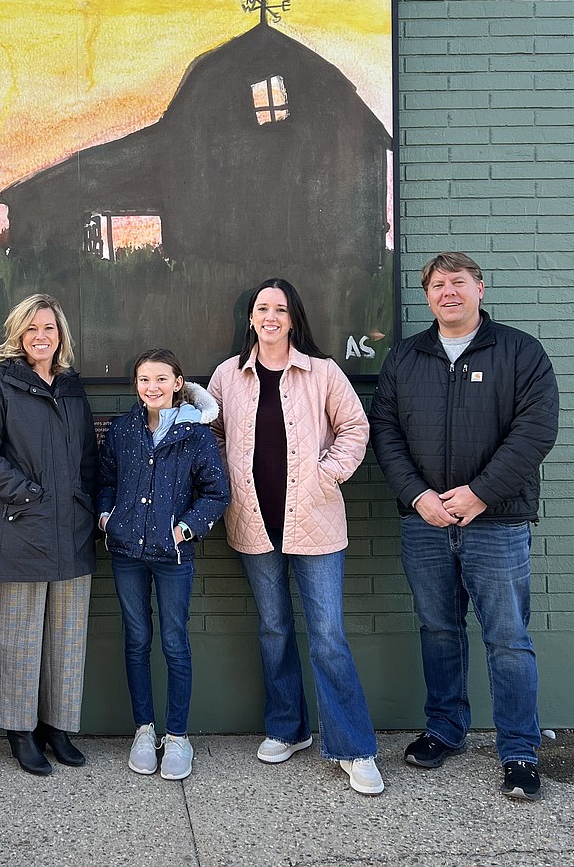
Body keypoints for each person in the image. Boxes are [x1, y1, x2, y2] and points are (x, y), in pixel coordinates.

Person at [369, 252, 559, 802]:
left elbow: (535, 431)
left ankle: (519, 749)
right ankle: (445, 729)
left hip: (497, 522)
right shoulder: (406, 357)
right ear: (426, 295)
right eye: (436, 285)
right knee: (439, 630)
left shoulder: (520, 352)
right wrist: (418, 496)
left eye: (458, 283)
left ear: (480, 288)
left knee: (508, 638)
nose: (446, 292)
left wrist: (479, 494)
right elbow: (386, 433)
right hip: (424, 522)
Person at [208, 278, 383, 796]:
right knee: (274, 629)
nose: (271, 317)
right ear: (250, 318)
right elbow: (210, 433)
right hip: (253, 518)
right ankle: (288, 728)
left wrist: (327, 473)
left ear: (293, 318)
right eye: (262, 308)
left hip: (315, 521)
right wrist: (227, 476)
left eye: (280, 309)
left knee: (327, 635)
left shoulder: (322, 372)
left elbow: (355, 426)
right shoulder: (227, 376)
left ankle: (354, 748)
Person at [0, 294, 98, 776]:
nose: (42, 337)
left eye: (50, 328)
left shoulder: (71, 387)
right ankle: (21, 732)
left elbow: (86, 459)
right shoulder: (0, 385)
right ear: (17, 334)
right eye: (32, 328)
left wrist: (85, 503)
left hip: (72, 531)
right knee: (17, 638)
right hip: (19, 530)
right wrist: (27, 493)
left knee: (67, 637)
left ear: (60, 334)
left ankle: (57, 728)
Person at [97, 348, 230, 781]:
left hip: (173, 557)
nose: (151, 387)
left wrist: (184, 530)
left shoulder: (196, 434)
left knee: (174, 643)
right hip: (126, 555)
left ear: (178, 383)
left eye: (160, 379)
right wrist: (107, 517)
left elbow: (216, 493)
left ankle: (177, 735)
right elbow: (104, 480)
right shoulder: (122, 430)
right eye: (143, 380)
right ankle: (143, 730)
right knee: (136, 640)